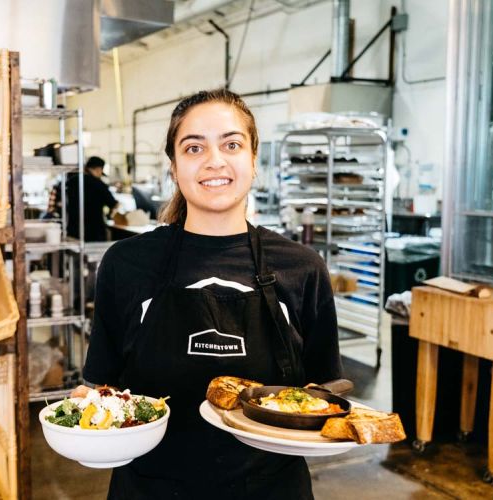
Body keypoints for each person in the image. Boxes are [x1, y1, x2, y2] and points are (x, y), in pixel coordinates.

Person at [81, 89, 341, 499]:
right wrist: (85, 411)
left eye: (232, 144)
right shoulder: (126, 264)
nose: (214, 160)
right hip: (150, 490)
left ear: (254, 160)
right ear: (174, 167)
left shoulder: (302, 268)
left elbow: (322, 395)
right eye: (194, 147)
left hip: (271, 490)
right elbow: (101, 388)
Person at [62, 155, 118, 242]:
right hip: (94, 232)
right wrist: (110, 215)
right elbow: (114, 204)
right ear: (99, 169)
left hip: (73, 230)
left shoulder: (71, 181)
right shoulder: (99, 185)